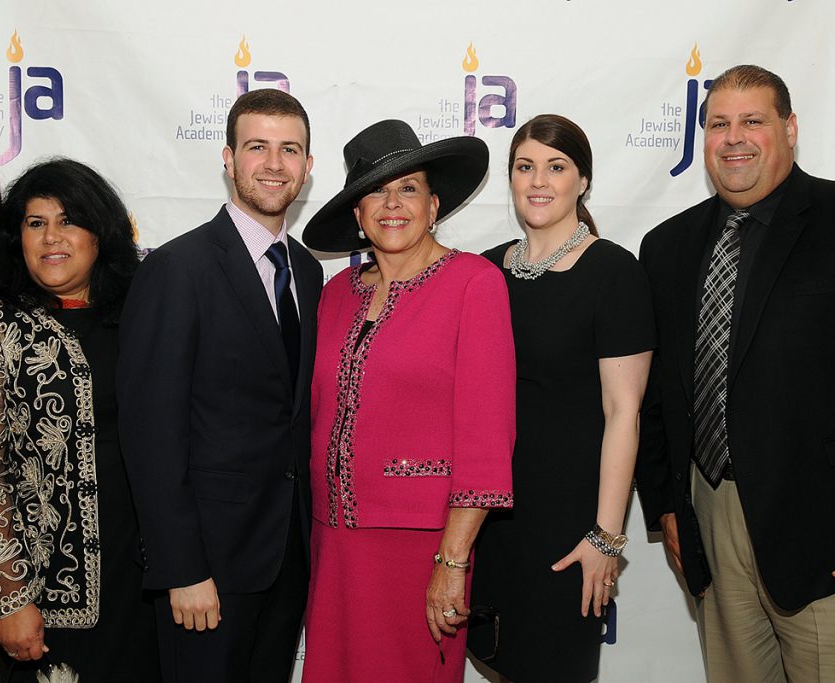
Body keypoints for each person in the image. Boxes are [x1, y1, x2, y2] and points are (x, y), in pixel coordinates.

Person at [635, 64, 835, 681]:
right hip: (711, 515)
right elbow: (657, 393)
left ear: (789, 129)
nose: (734, 138)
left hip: (827, 530)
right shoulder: (667, 245)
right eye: (718, 124)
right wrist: (668, 508)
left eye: (752, 122)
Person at [298, 119, 515, 683]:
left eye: (409, 188)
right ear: (357, 214)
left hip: (425, 548)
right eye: (376, 190)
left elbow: (487, 439)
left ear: (434, 204)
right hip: (335, 545)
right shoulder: (335, 296)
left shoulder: (474, 282)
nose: (392, 204)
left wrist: (453, 561)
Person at [117, 88, 322, 683]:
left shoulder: (307, 273)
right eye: (257, 147)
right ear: (228, 158)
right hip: (205, 569)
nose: (275, 164)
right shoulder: (176, 270)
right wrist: (181, 566)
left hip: (286, 559)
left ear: (309, 167)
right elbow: (150, 433)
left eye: (290, 150)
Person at [0, 158, 159, 681]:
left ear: (100, 235)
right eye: (36, 223)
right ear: (17, 238)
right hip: (45, 589)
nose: (51, 238)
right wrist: (9, 596)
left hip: (148, 581)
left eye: (69, 221)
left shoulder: (142, 309)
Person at [468, 114, 655, 682]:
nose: (539, 181)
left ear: (583, 181)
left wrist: (605, 537)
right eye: (525, 167)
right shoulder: (485, 272)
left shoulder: (614, 272)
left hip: (569, 528)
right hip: (490, 521)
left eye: (557, 166)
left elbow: (624, 413)